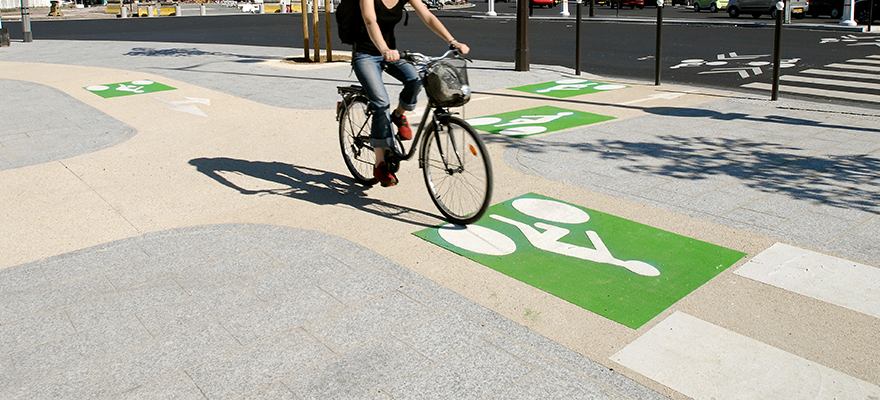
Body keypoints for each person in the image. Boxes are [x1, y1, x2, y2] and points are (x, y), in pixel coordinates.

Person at [354, 0, 469, 187]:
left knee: (415, 81)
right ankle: (380, 163)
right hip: (366, 55)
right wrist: (383, 49)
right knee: (380, 102)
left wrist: (452, 40)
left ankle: (398, 115)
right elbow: (370, 21)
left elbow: (428, 16)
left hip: (393, 53)